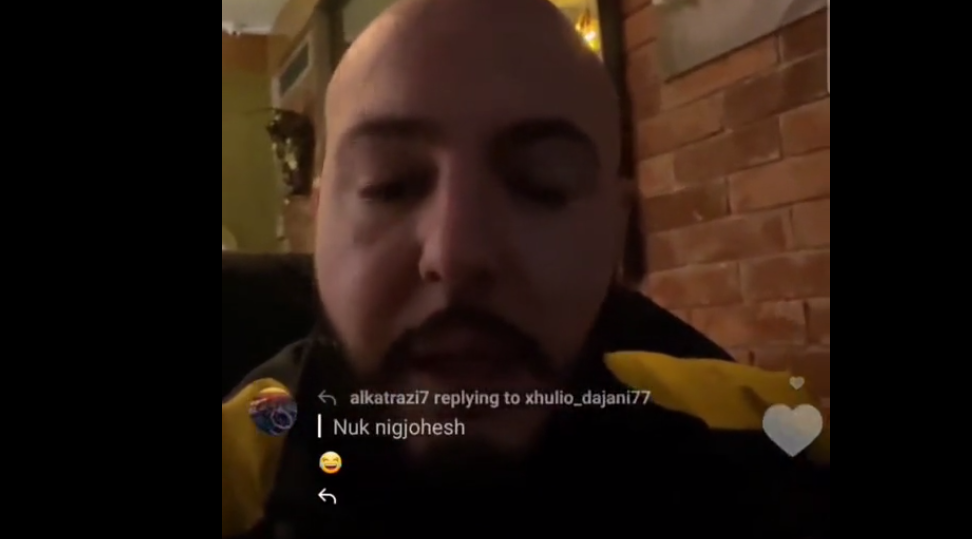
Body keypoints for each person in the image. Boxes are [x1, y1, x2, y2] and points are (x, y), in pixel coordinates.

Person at [221, 0, 831, 537]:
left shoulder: (764, 438)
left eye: (543, 185)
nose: (456, 253)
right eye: (391, 185)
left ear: (615, 232)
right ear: (320, 224)